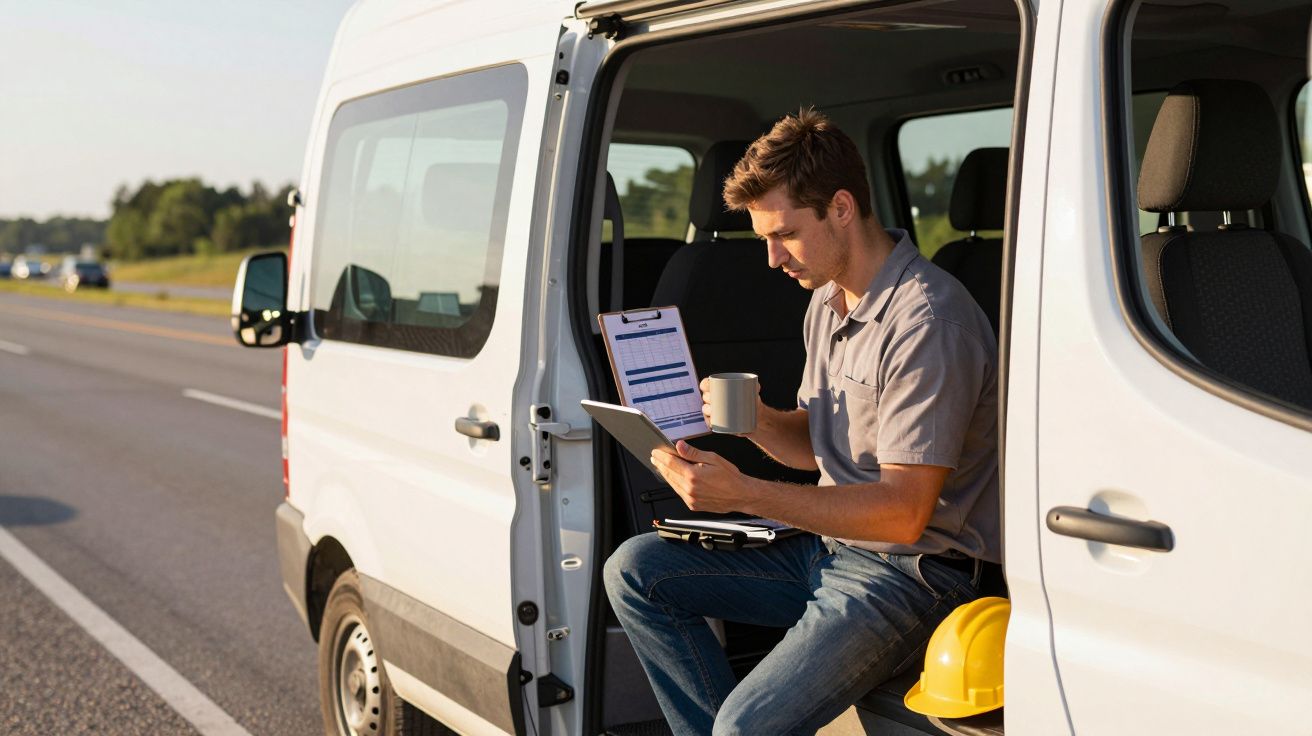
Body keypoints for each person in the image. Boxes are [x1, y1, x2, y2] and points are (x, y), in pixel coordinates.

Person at [602, 108, 1001, 735]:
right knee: (636, 571)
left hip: (914, 575)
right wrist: (755, 421)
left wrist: (745, 494)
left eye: (783, 234)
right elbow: (812, 449)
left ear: (841, 207)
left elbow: (903, 513)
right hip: (831, 551)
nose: (770, 259)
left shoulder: (929, 322)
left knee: (745, 727)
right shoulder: (827, 298)